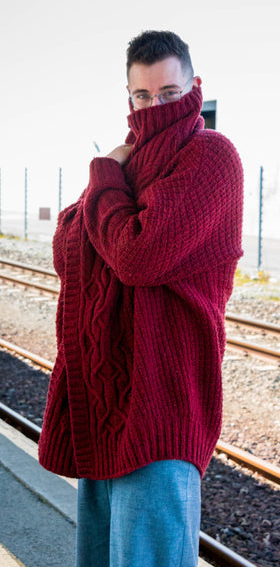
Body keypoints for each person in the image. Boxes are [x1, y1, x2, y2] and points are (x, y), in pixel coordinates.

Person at [38, 30, 243, 567]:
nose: (157, 108)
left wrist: (104, 175)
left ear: (194, 86)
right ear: (128, 98)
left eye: (170, 94)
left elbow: (138, 257)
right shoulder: (126, 165)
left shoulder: (210, 157)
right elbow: (67, 249)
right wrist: (111, 180)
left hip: (162, 405)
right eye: (144, 97)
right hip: (106, 403)